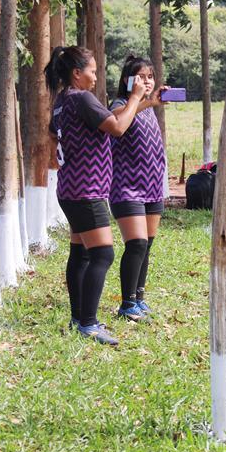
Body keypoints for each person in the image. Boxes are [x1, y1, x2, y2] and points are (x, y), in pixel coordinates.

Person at [45, 46, 145, 346]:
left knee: (81, 252)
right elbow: (116, 127)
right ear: (77, 73)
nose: (95, 76)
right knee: (103, 253)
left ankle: (79, 318)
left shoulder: (62, 101)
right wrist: (136, 98)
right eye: (91, 70)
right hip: (86, 191)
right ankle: (88, 323)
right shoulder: (82, 97)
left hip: (70, 187)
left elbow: (54, 133)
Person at [108, 55, 168, 321]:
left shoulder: (148, 107)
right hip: (126, 187)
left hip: (152, 185)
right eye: (141, 76)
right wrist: (141, 100)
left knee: (147, 245)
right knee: (136, 243)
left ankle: (139, 298)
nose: (147, 80)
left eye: (150, 76)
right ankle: (126, 303)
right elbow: (116, 121)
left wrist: (151, 102)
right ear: (127, 80)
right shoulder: (121, 104)